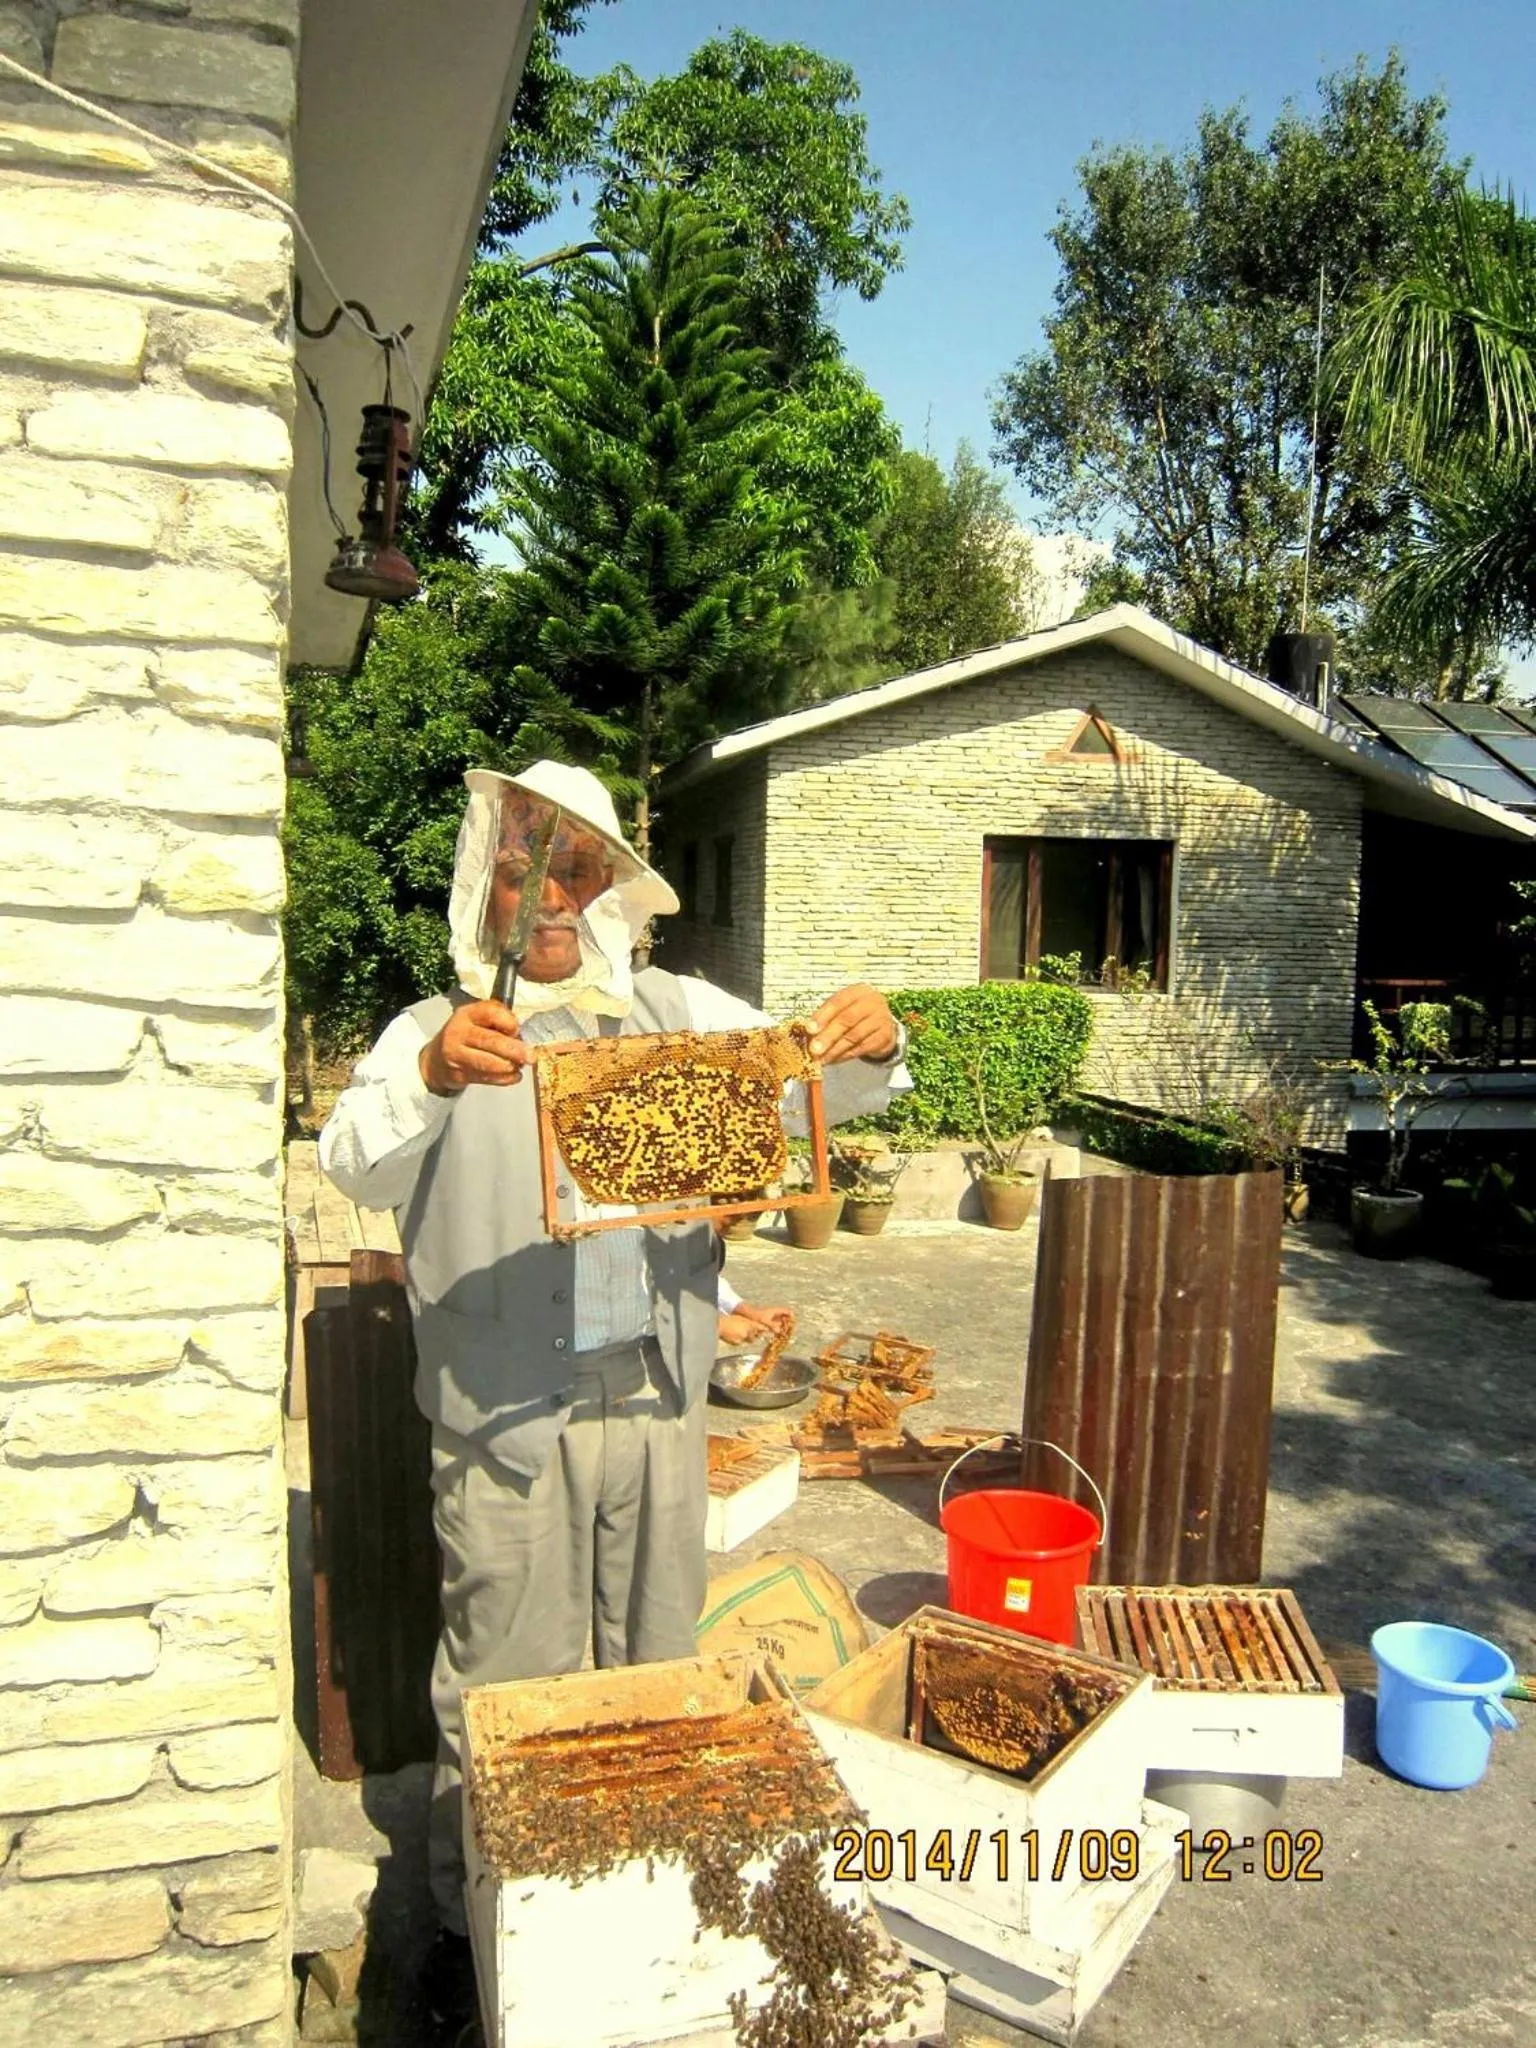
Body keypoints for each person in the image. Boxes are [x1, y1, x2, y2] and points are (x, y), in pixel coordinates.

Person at [318, 761, 908, 2029]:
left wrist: (876, 1031)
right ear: (490, 879)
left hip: (653, 1398)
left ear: (607, 893)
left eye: (576, 867)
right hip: (503, 1417)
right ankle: (475, 1929)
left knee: (657, 1661)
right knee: (504, 1682)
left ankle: (641, 1910)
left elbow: (830, 1080)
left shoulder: (682, 1010)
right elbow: (353, 1163)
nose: (551, 894)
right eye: (528, 862)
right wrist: (429, 1075)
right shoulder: (429, 1029)